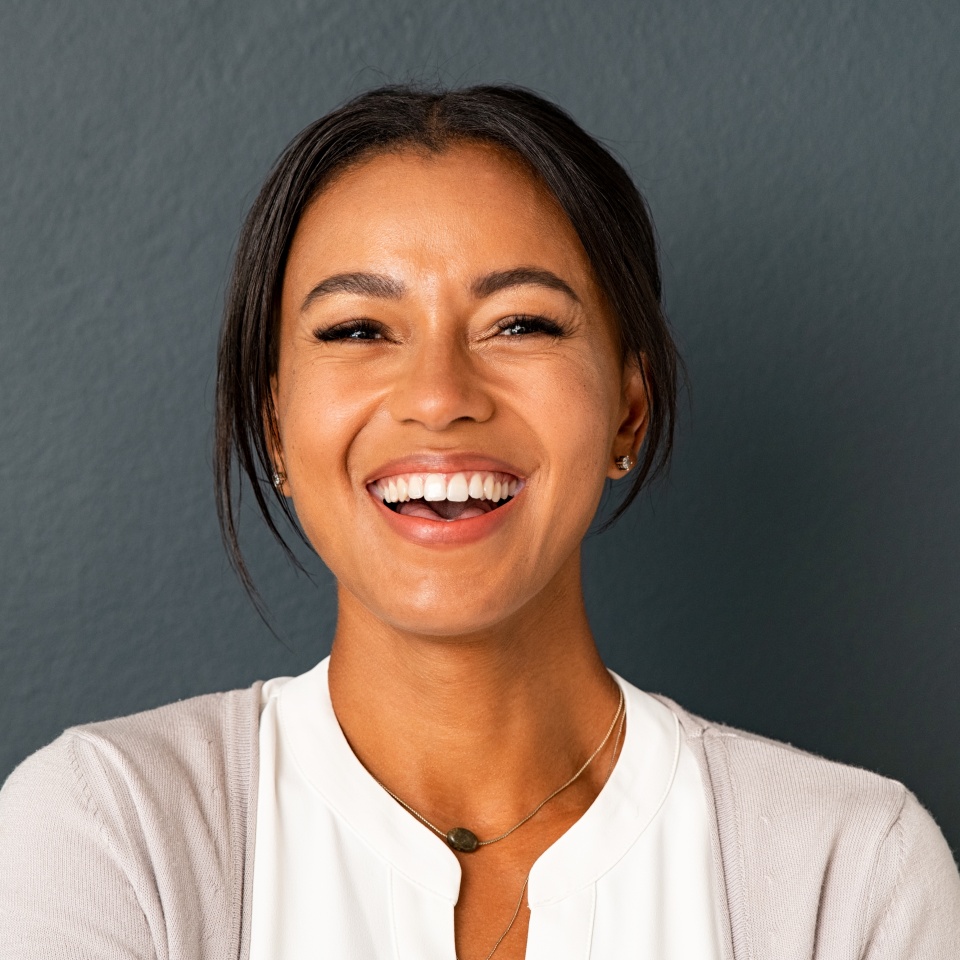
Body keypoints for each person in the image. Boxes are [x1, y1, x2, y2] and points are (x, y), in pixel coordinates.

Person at [1, 84, 958, 960]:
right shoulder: (110, 830)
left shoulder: (850, 875)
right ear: (277, 430)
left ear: (629, 408)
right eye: (357, 331)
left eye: (521, 324)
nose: (438, 398)